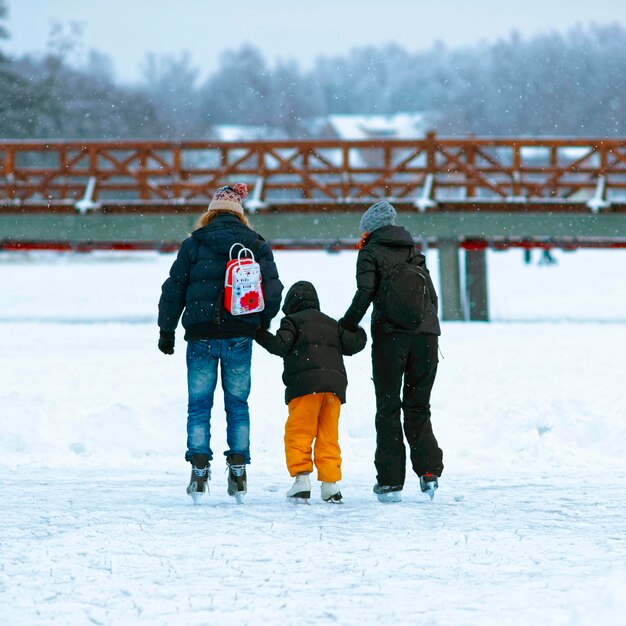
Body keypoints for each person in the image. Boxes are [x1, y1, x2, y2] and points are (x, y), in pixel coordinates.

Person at [157, 183, 283, 504]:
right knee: (237, 404)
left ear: (209, 213)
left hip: (200, 334)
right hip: (240, 333)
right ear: (241, 215)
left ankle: (199, 471)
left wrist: (167, 331)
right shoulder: (255, 244)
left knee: (199, 404)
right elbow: (274, 289)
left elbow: (173, 290)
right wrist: (261, 321)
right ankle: (238, 470)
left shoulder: (193, 245)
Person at [339, 200, 444, 502]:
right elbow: (432, 298)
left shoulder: (370, 252)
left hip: (390, 338)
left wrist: (346, 325)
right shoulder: (415, 252)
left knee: (388, 408)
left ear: (369, 229)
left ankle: (390, 482)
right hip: (426, 337)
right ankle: (428, 472)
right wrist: (423, 327)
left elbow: (365, 293)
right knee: (418, 407)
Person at [255, 280, 366, 503]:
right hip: (334, 388)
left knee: (300, 432)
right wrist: (360, 331)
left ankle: (301, 480)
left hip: (306, 385)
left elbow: (280, 346)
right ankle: (330, 484)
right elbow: (353, 344)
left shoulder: (292, 321)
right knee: (328, 435)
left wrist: (258, 332)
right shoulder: (331, 323)